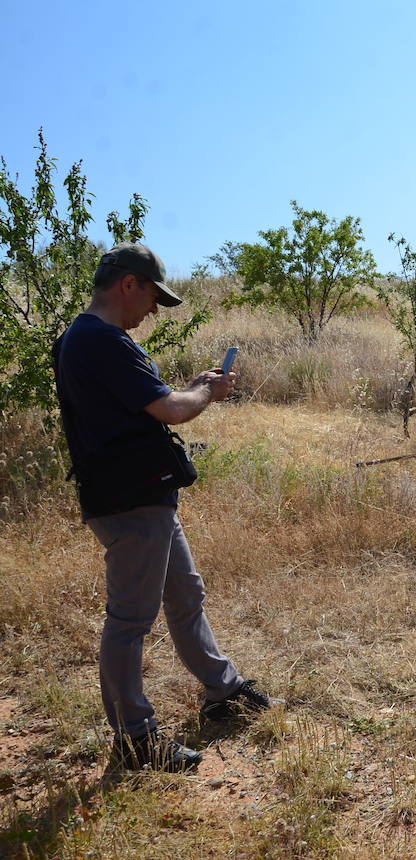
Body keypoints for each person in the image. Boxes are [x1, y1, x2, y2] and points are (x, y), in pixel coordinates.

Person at [52, 243, 278, 772]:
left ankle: (223, 691)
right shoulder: (101, 340)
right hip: (128, 500)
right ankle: (135, 740)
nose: (154, 310)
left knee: (185, 594)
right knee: (130, 621)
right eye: (153, 296)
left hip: (142, 495)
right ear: (129, 284)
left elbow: (152, 404)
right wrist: (205, 393)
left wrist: (196, 386)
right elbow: (171, 410)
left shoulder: (84, 339)